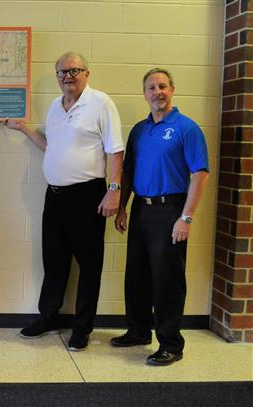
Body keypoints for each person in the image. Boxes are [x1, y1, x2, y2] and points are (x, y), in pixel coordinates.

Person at [5, 52, 124, 351]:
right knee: (54, 260)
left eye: (74, 70)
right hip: (55, 196)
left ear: (87, 72)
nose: (67, 76)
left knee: (89, 265)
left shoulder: (101, 103)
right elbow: (50, 145)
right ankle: (48, 317)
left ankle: (82, 329)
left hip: (88, 196)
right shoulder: (55, 107)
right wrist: (24, 129)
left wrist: (114, 189)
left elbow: (115, 150)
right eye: (62, 72)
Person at [111, 68, 209, 366]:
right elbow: (127, 171)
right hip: (141, 208)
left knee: (167, 279)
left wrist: (186, 218)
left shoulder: (186, 128)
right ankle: (139, 331)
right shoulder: (139, 130)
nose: (158, 92)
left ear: (172, 89)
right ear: (145, 95)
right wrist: (123, 207)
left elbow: (200, 174)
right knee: (137, 274)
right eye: (151, 88)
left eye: (162, 86)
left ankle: (171, 343)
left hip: (171, 210)